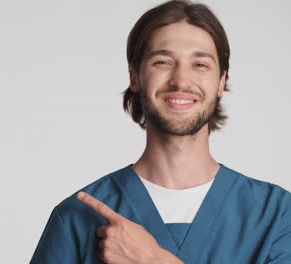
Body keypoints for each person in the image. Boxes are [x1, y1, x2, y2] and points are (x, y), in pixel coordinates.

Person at [30, 0, 291, 263]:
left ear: (222, 81)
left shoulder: (277, 215)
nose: (181, 80)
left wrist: (153, 259)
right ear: (135, 77)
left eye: (200, 64)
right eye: (163, 61)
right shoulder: (78, 217)